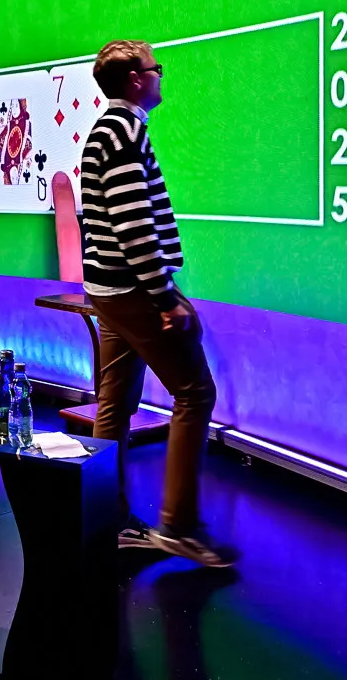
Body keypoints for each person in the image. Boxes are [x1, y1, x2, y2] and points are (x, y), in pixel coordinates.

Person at [80, 39, 234, 567]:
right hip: (134, 290)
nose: (160, 75)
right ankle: (179, 527)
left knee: (115, 404)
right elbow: (134, 228)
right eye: (155, 68)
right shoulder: (124, 132)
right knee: (195, 393)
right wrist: (165, 296)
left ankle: (110, 521)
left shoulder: (107, 129)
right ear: (136, 80)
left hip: (109, 290)